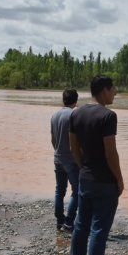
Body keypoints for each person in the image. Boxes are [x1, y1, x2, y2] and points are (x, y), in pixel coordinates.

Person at [68, 76, 124, 255]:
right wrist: (119, 179)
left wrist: (84, 168)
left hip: (85, 178)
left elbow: (74, 149)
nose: (116, 93)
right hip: (104, 182)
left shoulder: (76, 113)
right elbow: (111, 152)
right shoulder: (108, 116)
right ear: (104, 90)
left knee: (81, 227)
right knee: (99, 231)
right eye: (113, 89)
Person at [50, 88, 79, 232]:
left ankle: (59, 220)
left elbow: (53, 139)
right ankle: (69, 222)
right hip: (71, 159)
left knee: (59, 190)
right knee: (77, 190)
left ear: (63, 100)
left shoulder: (54, 115)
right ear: (76, 100)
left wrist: (58, 151)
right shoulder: (75, 114)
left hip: (58, 158)